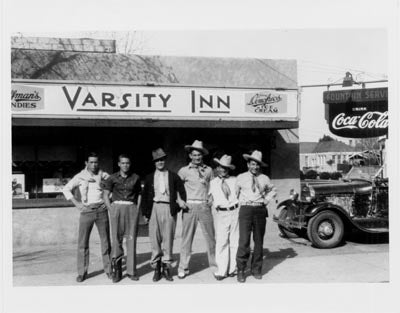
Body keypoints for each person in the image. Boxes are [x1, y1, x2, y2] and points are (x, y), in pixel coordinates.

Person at [62, 152, 111, 283]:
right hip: (87, 211)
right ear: (86, 163)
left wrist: (108, 201)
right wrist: (77, 204)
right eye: (91, 162)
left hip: (101, 210)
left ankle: (109, 270)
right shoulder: (80, 176)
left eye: (96, 162)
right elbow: (66, 189)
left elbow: (113, 186)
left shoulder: (104, 175)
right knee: (83, 243)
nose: (94, 165)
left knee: (106, 241)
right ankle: (82, 272)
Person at [141, 148, 186, 282]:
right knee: (155, 240)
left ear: (165, 160)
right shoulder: (149, 177)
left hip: (168, 208)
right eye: (157, 160)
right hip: (155, 208)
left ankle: (166, 268)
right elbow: (144, 197)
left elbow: (182, 193)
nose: (160, 162)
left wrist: (176, 207)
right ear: (154, 162)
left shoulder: (173, 176)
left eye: (162, 159)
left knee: (168, 239)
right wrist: (145, 213)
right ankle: (156, 267)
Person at [235, 150, 277, 283]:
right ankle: (241, 270)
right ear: (248, 164)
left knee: (258, 241)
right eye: (253, 164)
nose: (255, 167)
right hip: (246, 209)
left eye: (257, 165)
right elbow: (235, 194)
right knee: (244, 241)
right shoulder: (241, 177)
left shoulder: (264, 178)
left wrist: (267, 199)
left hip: (259, 209)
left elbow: (273, 190)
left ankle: (256, 269)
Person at [177, 140, 217, 279]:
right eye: (194, 155)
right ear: (190, 156)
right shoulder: (184, 170)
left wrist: (211, 199)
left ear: (202, 156)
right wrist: (180, 201)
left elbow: (213, 187)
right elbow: (177, 188)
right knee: (186, 239)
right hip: (190, 206)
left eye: (199, 155)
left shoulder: (209, 170)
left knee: (210, 238)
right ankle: (183, 267)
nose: (197, 157)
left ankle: (214, 266)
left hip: (204, 206)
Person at [103, 154, 142, 283]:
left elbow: (139, 194)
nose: (125, 165)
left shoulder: (135, 177)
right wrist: (111, 209)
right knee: (116, 239)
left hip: (131, 208)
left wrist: (137, 209)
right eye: (123, 163)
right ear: (119, 164)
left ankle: (131, 271)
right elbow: (105, 195)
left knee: (131, 240)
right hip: (117, 208)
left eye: (127, 163)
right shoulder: (112, 178)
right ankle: (118, 270)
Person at [208, 154, 239, 281]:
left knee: (234, 241)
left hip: (235, 211)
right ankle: (221, 270)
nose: (223, 169)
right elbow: (209, 198)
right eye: (221, 167)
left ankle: (233, 268)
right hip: (221, 213)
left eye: (226, 168)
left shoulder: (235, 180)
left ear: (229, 169)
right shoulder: (213, 182)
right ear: (218, 168)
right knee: (221, 242)